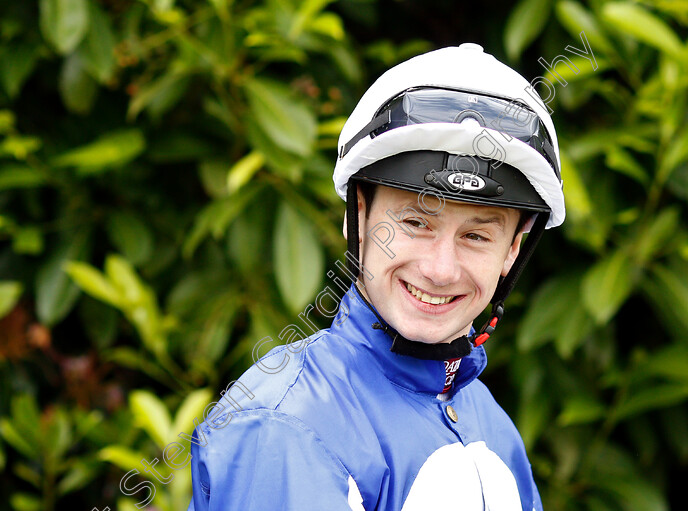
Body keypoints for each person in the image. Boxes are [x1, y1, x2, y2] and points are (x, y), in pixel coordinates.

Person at [187, 43, 564, 510]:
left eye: (477, 237)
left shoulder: (490, 423)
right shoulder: (286, 426)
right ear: (358, 218)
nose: (440, 269)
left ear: (512, 251)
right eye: (415, 223)